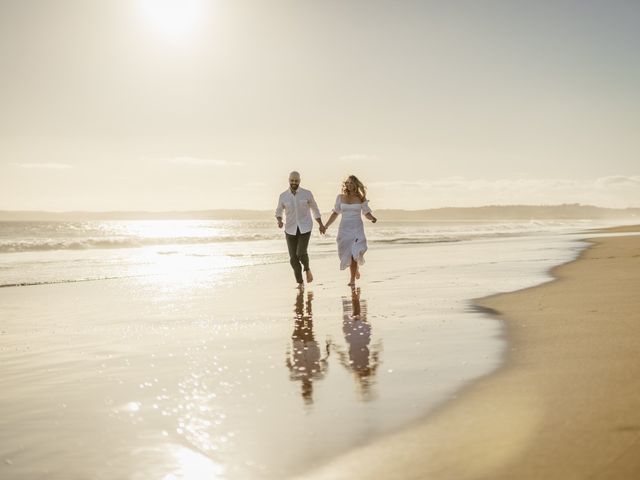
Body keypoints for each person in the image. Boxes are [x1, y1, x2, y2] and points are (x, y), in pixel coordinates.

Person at [323, 175, 377, 286]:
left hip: (357, 228)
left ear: (356, 184)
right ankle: (355, 269)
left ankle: (352, 280)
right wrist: (326, 225)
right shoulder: (340, 197)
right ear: (345, 184)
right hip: (344, 228)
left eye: (352, 183)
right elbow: (335, 213)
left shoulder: (360, 198)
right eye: (348, 182)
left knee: (354, 252)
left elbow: (366, 213)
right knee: (346, 252)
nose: (349, 184)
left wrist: (372, 218)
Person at [275, 171, 325, 287]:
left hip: (305, 227)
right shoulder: (283, 196)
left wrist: (320, 224)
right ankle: (300, 283)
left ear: (299, 181)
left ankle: (307, 269)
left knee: (301, 253)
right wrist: (279, 220)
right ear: (288, 180)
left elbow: (315, 209)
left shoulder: (307, 194)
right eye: (292, 180)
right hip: (290, 229)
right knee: (293, 258)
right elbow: (278, 211)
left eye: (296, 181)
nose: (294, 183)